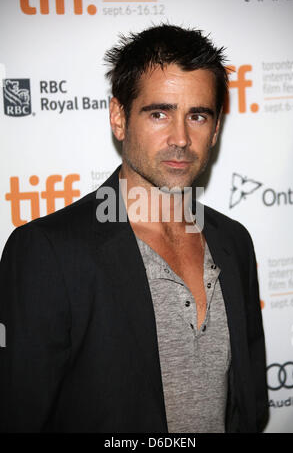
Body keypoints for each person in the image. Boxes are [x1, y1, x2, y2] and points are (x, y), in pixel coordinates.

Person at [0, 24, 268, 433]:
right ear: (119, 118)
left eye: (197, 115)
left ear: (215, 130)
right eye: (159, 113)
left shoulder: (234, 241)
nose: (180, 138)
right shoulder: (47, 252)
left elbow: (247, 408)